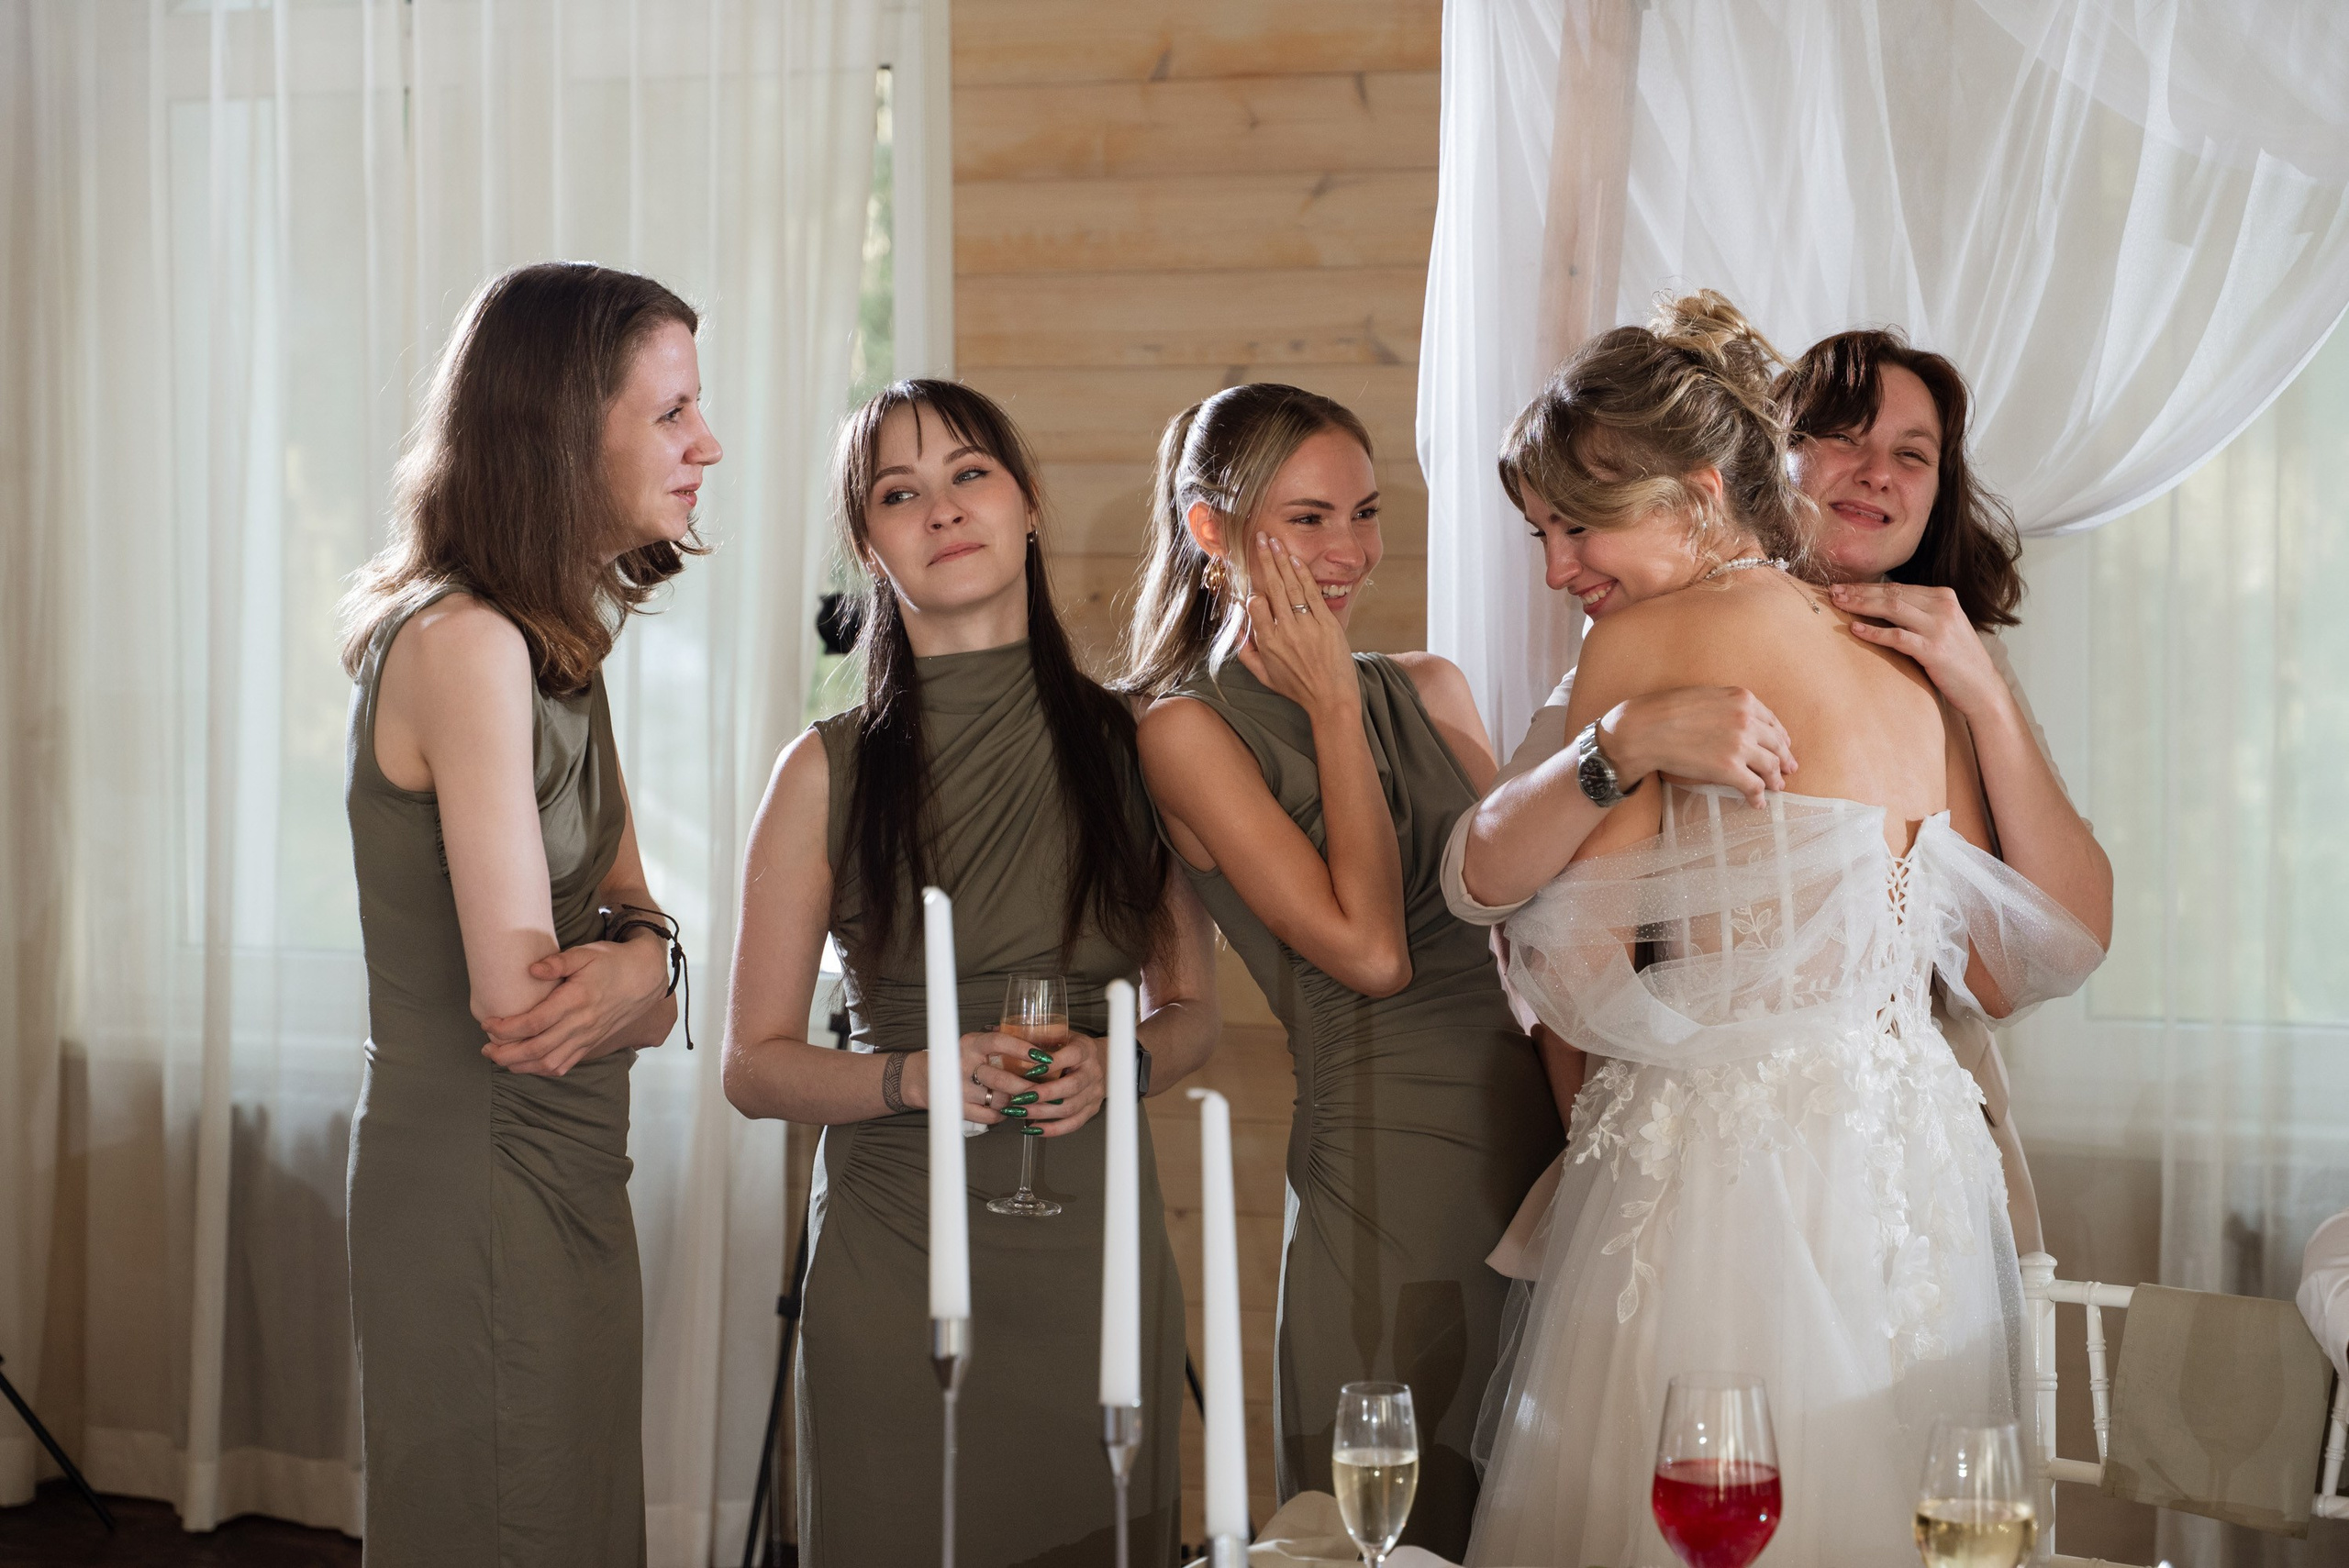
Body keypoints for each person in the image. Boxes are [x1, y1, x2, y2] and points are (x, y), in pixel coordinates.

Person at [1463, 295, 2107, 1568]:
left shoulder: (1653, 635)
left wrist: (1672, 1082)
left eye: (1574, 528)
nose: (1557, 567)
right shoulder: (1912, 671)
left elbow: (1565, 960)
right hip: (1918, 1173)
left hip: (1730, 1168)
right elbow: (2000, 957)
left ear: (1703, 491)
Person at [722, 380, 1220, 1568]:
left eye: (969, 474)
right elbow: (753, 1068)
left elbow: (1197, 1013)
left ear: (1029, 502)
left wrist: (1125, 1058)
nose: (940, 508)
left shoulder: (1140, 743)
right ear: (869, 544)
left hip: (1095, 1258)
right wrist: (912, 1078)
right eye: (899, 492)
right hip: (896, 1258)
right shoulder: (822, 771)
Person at [1119, 383, 1562, 1556]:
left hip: (1543, 1151)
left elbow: (1541, 915)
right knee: (1393, 1533)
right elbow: (1370, 951)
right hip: (1388, 1174)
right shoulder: (1182, 732)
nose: (1350, 551)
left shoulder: (1428, 684)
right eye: (1307, 518)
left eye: (1364, 514)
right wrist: (1325, 709)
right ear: (1210, 528)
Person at [340, 261, 712, 1566]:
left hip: (569, 1179)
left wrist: (644, 963)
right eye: (671, 414)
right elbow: (525, 1007)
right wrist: (639, 971)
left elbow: (644, 927)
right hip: (481, 1187)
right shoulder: (466, 645)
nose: (704, 444)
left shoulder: (558, 647)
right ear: (564, 430)